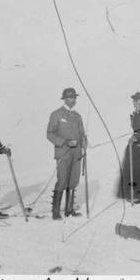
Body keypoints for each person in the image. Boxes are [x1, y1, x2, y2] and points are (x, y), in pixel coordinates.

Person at [46, 88, 87, 220]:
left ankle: (69, 210)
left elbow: (82, 134)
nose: (73, 100)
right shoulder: (56, 114)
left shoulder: (78, 116)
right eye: (70, 97)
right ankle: (56, 213)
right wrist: (64, 142)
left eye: (74, 97)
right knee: (62, 181)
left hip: (76, 155)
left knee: (73, 181)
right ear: (64, 99)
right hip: (63, 154)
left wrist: (84, 142)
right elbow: (50, 134)